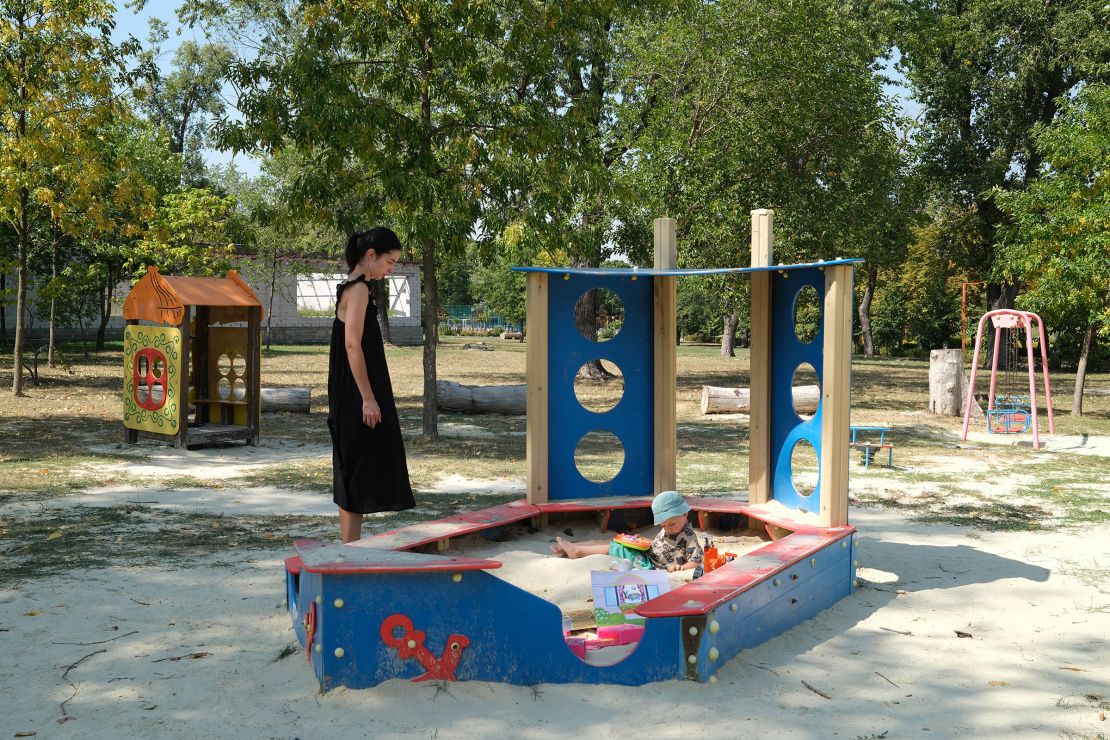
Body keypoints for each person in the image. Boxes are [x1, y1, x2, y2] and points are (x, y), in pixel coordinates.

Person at [328, 227, 415, 543]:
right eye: (389, 262)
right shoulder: (360, 291)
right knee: (357, 473)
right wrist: (368, 398)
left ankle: (349, 547)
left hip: (345, 393)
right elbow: (353, 345)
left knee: (351, 471)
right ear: (370, 256)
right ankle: (350, 553)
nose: (391, 269)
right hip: (355, 395)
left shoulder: (348, 288)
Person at [549, 491, 704, 572]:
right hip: (648, 552)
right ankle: (572, 545)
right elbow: (663, 546)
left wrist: (681, 568)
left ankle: (577, 551)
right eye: (663, 526)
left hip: (649, 563)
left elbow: (696, 560)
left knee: (617, 548)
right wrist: (643, 540)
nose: (667, 528)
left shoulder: (689, 536)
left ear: (685, 514)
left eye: (671, 524)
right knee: (612, 542)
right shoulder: (671, 526)